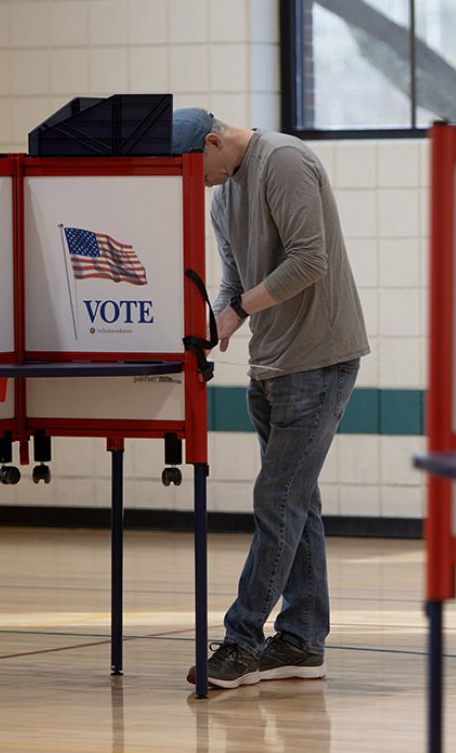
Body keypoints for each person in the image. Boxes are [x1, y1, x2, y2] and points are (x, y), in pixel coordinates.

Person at [173, 108, 370, 689]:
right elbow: (234, 278)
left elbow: (310, 261)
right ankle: (302, 640)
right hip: (273, 361)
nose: (197, 186)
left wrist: (238, 309)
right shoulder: (221, 198)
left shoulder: (282, 160)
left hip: (320, 357)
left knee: (278, 497)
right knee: (296, 501)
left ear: (213, 142)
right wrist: (220, 321)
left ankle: (240, 641)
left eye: (195, 172)